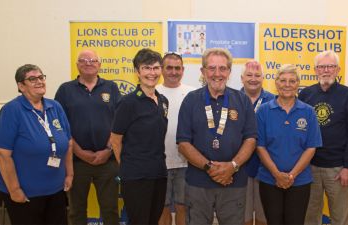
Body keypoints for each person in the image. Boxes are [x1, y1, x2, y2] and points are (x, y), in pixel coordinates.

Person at [176, 48, 257, 225]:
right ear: (203, 71)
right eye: (211, 68)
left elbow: (251, 139)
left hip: (233, 182)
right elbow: (183, 142)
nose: (217, 74)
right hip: (198, 183)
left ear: (229, 72)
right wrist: (210, 167)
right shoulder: (191, 100)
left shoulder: (242, 100)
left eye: (222, 68)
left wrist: (232, 166)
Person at [0, 64, 73, 225]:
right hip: (25, 191)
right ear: (21, 86)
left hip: (55, 188)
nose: (39, 81)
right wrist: (14, 190)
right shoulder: (12, 110)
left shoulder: (55, 107)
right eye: (32, 79)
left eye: (41, 77)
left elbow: (68, 143)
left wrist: (69, 174)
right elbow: (2, 153)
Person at [55, 49, 121, 225]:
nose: (88, 63)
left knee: (111, 209)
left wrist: (107, 150)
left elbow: (118, 123)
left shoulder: (111, 88)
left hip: (107, 160)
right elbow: (60, 126)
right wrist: (79, 151)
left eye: (92, 60)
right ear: (77, 65)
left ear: (99, 65)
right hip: (76, 162)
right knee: (76, 211)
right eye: (83, 60)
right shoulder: (65, 90)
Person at [299, 50, 348, 225]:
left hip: (338, 167)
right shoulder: (305, 95)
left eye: (330, 66)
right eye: (321, 67)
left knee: (339, 216)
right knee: (310, 215)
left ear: (338, 69)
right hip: (309, 166)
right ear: (315, 70)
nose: (326, 70)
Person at [256, 64, 321, 225]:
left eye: (292, 81)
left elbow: (311, 147)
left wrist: (291, 175)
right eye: (283, 80)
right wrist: (277, 174)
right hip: (269, 179)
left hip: (299, 180)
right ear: (276, 83)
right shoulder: (263, 111)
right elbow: (260, 146)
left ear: (298, 84)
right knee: (274, 221)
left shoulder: (308, 112)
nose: (287, 84)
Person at [110, 48, 169, 225]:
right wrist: (128, 167)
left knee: (153, 220)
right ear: (137, 72)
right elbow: (115, 139)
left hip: (159, 173)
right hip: (136, 176)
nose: (152, 73)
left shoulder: (163, 100)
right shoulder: (128, 102)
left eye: (156, 68)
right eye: (146, 68)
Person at [156, 52, 195, 225]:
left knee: (183, 207)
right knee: (161, 208)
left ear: (183, 70)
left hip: (186, 163)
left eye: (177, 68)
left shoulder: (192, 94)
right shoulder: (153, 92)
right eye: (169, 68)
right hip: (159, 162)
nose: (173, 72)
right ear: (162, 70)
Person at [240, 60, 274, 225]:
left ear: (263, 78)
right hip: (240, 167)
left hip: (266, 167)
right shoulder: (232, 98)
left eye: (257, 75)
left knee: (264, 215)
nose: (253, 79)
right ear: (241, 78)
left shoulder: (274, 101)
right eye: (249, 75)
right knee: (243, 216)